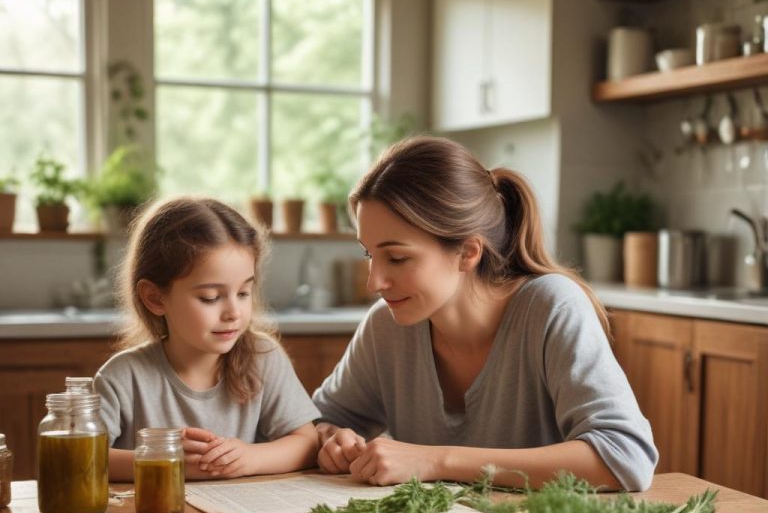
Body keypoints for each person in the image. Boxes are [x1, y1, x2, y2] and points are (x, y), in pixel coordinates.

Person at [312, 136, 658, 491]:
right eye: (369, 255)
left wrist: (433, 460)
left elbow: (625, 456)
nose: (375, 283)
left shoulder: (552, 307)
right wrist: (332, 438)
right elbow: (317, 422)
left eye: (397, 258)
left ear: (467, 252)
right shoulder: (386, 324)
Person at [95, 196, 319, 481]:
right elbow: (83, 456)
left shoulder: (263, 358)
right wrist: (162, 460)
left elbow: (308, 442)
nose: (234, 313)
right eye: (210, 297)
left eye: (243, 293)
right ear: (154, 298)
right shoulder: (123, 377)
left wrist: (252, 458)